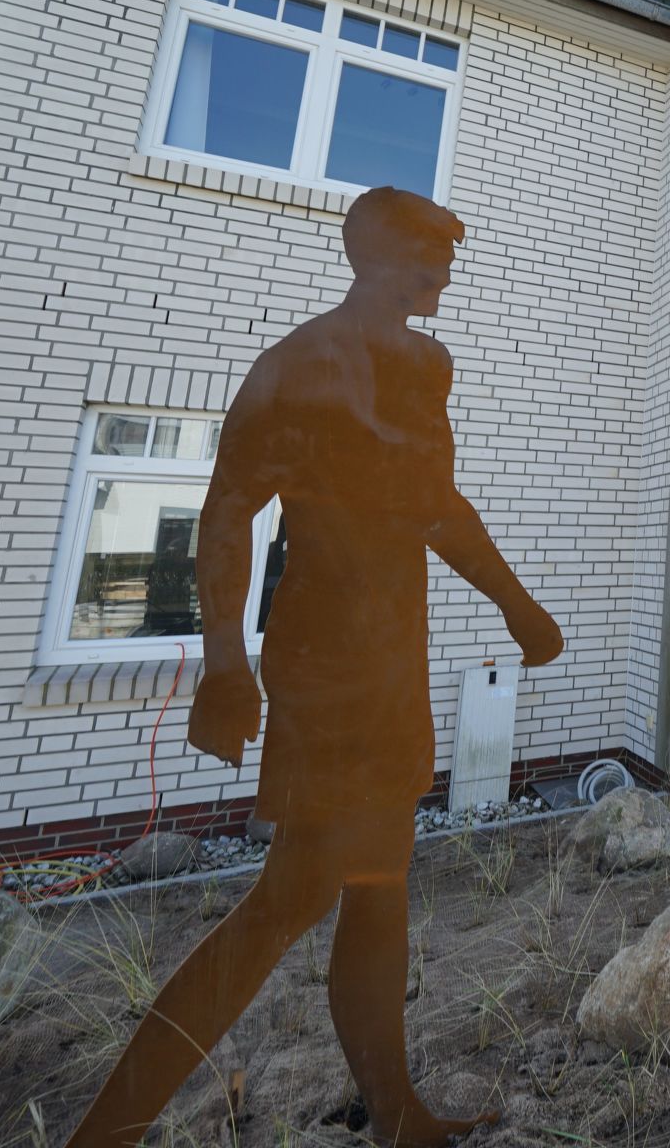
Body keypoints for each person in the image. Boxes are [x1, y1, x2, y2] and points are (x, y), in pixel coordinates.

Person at [67, 188, 563, 1148]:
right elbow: (226, 511)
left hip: (393, 656)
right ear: (375, 253)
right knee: (288, 901)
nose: (445, 270)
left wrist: (517, 604)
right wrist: (223, 661)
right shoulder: (293, 368)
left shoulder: (425, 367)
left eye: (450, 253)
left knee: (379, 886)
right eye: (430, 253)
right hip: (325, 664)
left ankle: (398, 1114)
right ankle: (103, 1134)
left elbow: (433, 505)